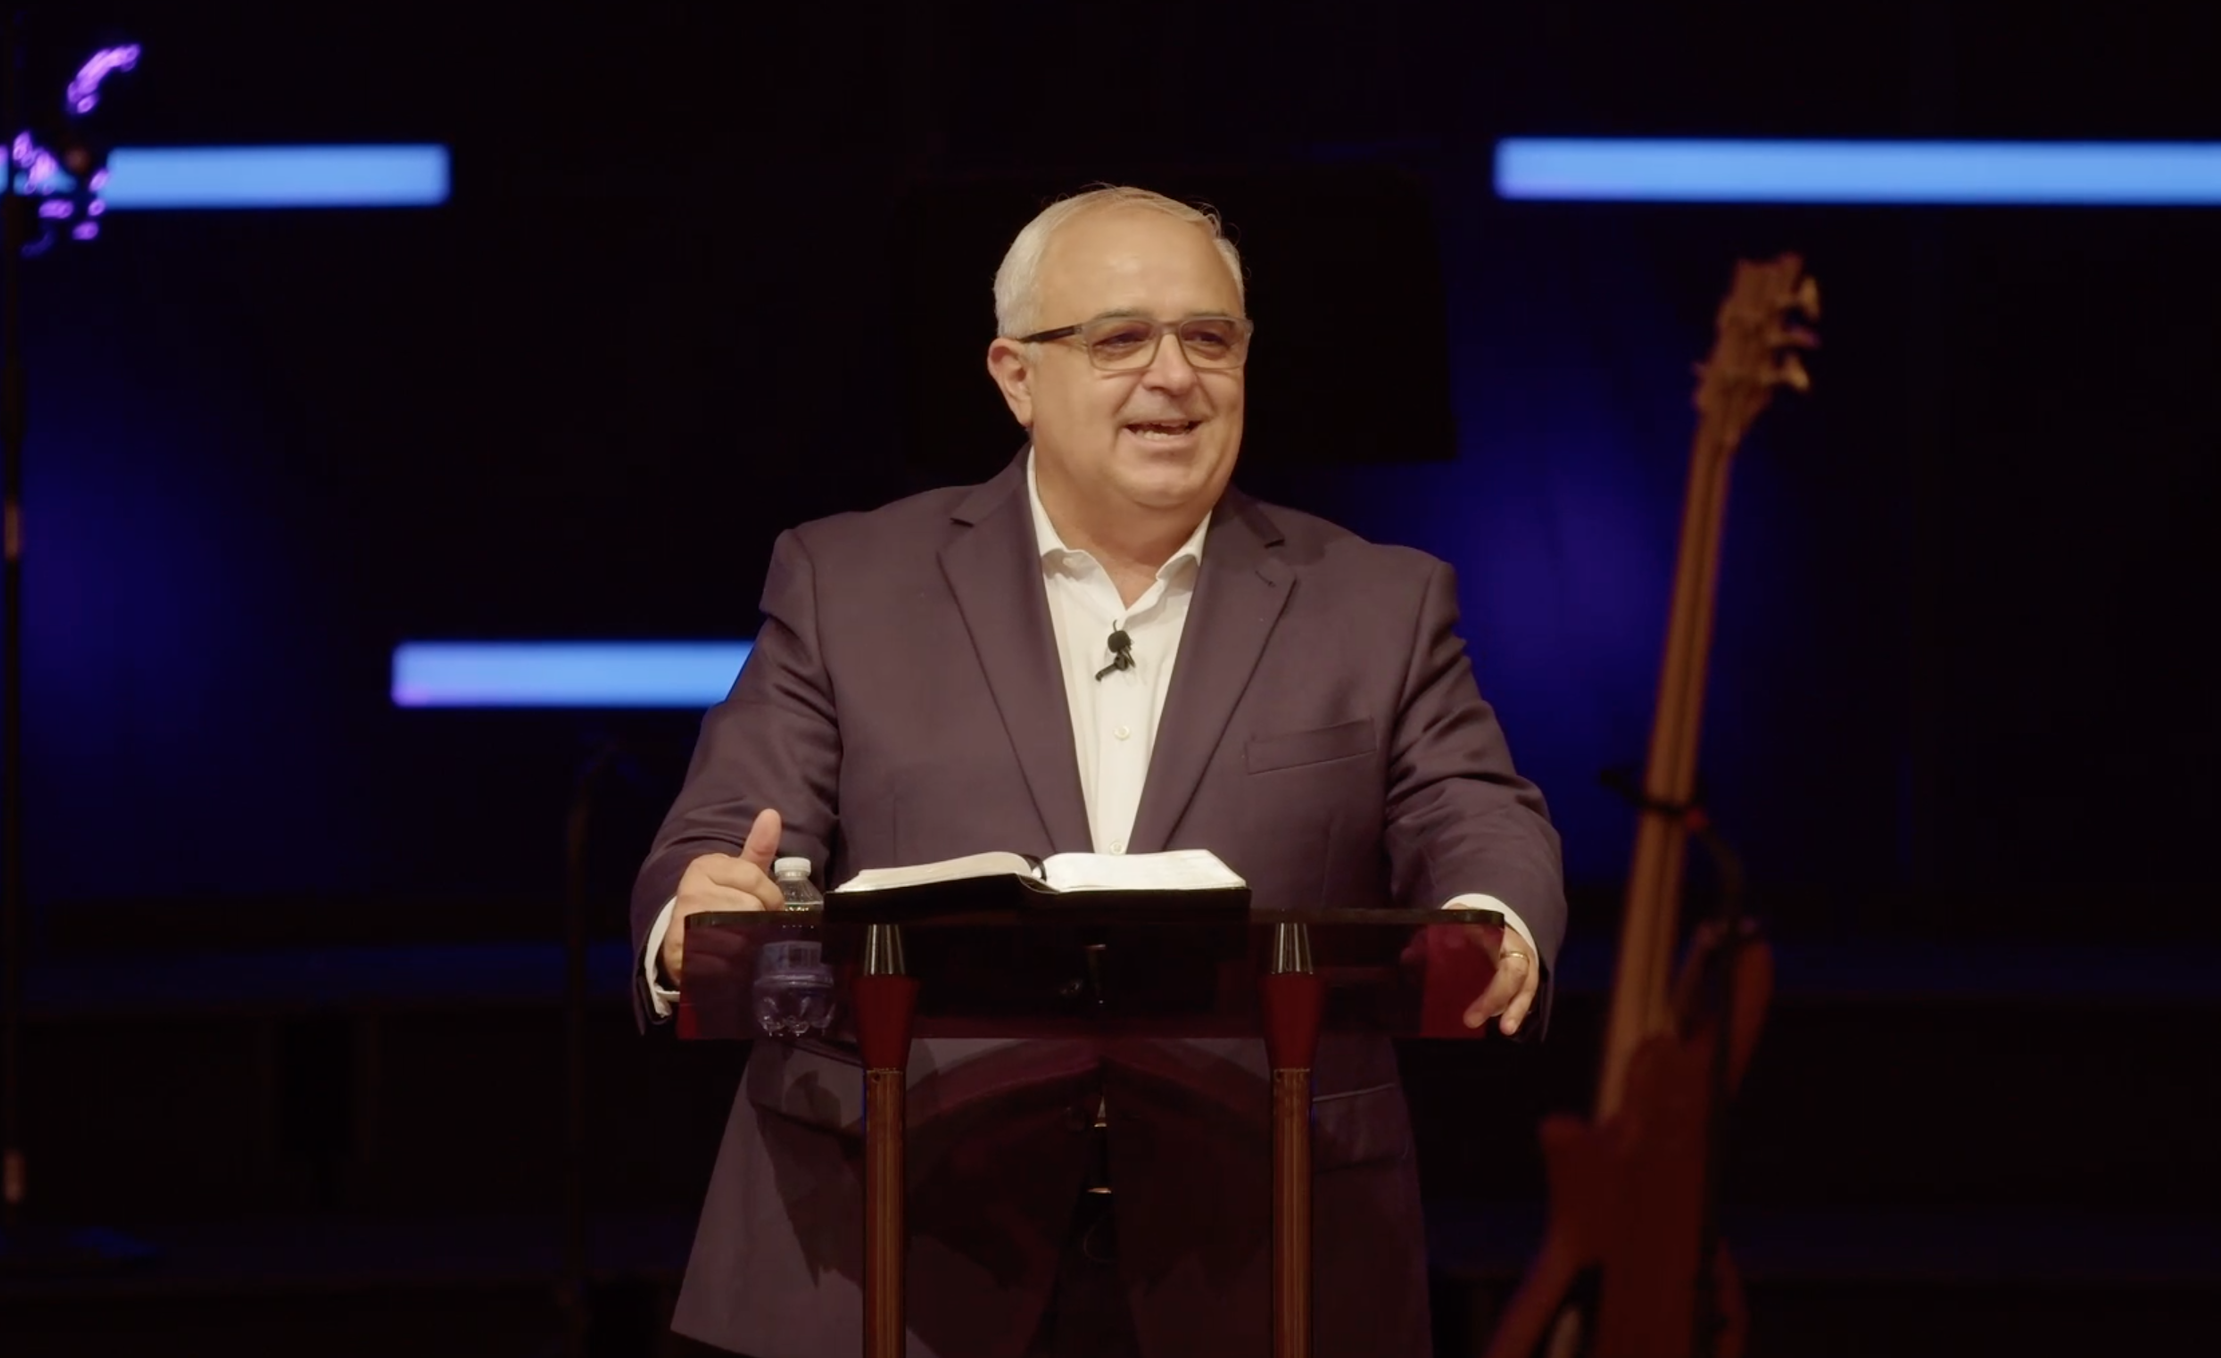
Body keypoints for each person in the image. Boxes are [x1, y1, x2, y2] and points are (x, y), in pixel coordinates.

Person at [631, 185, 1564, 1358]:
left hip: (1260, 1249)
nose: (1174, 375)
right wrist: (700, 909)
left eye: (1208, 337)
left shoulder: (1379, 601)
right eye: (1121, 338)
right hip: (887, 1248)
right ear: (1015, 375)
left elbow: (1473, 809)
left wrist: (1494, 912)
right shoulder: (845, 580)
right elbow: (721, 833)